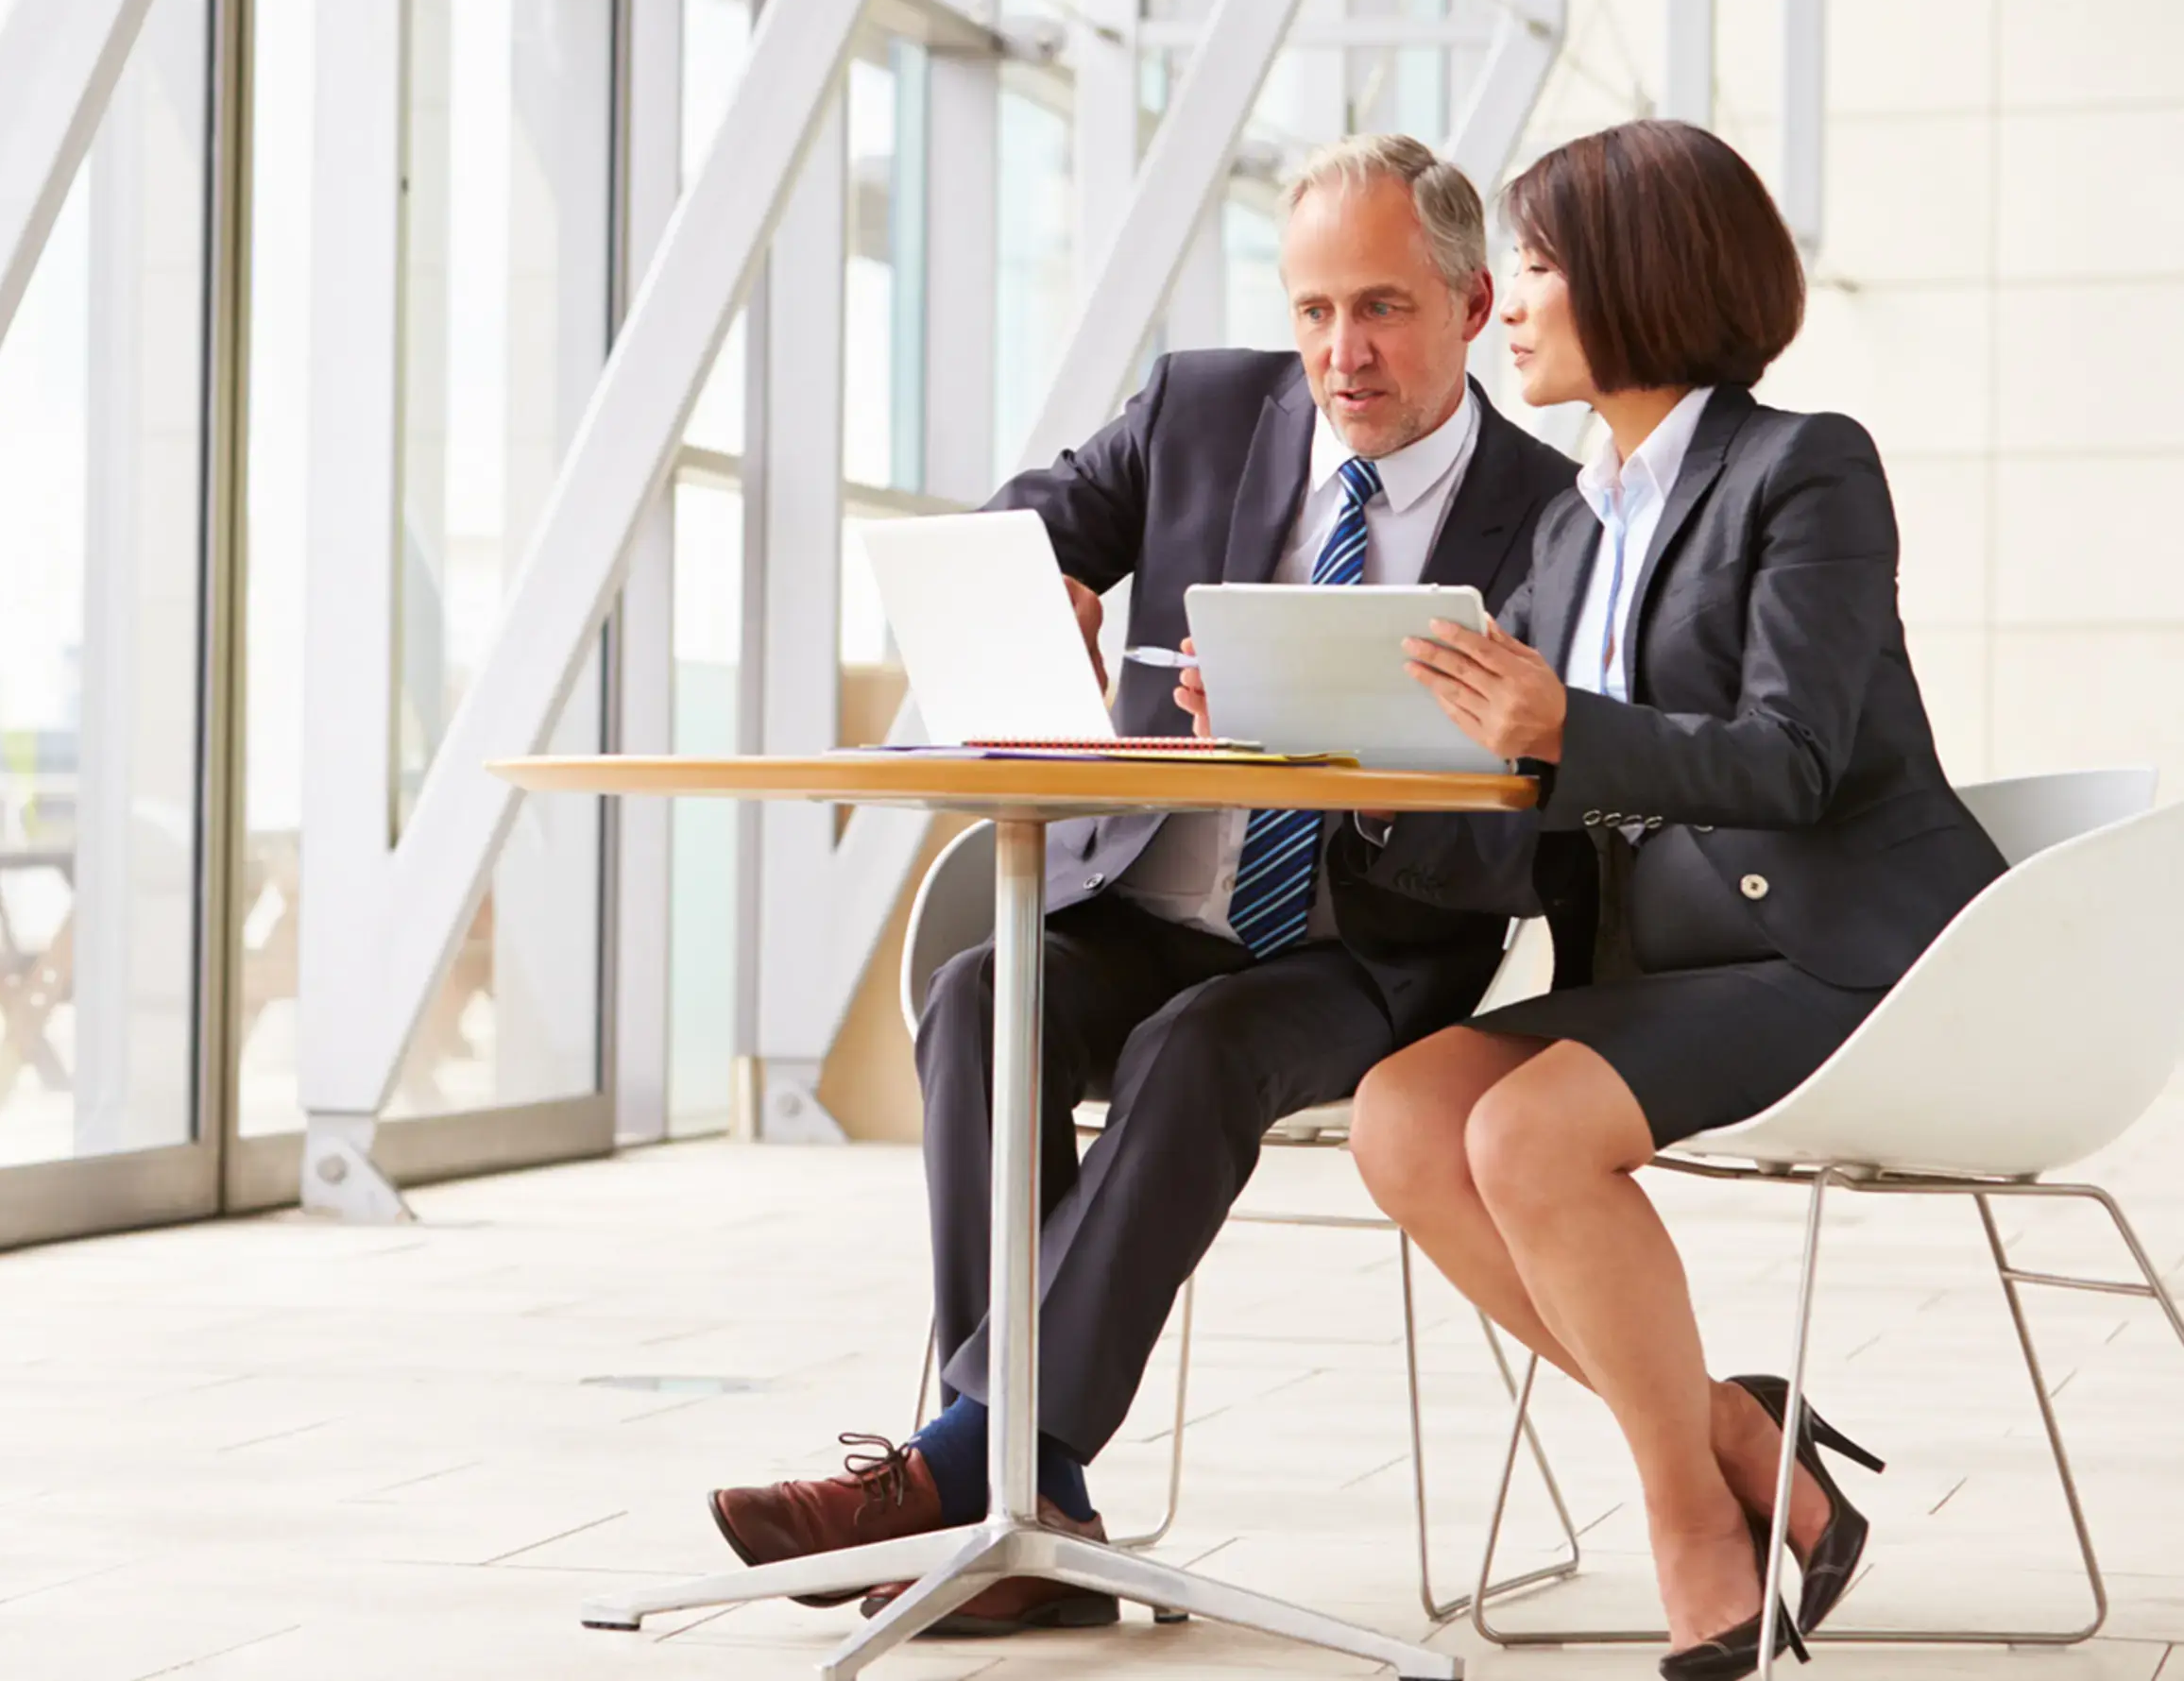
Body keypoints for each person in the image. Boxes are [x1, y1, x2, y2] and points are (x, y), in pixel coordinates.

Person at [704, 133, 1577, 1636]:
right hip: (1146, 901)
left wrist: (1330, 749)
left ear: (1468, 298)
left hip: (1365, 945)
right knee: (989, 996)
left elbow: (1535, 818)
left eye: (1379, 308)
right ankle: (1026, 1507)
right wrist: (1037, 580)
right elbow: (1011, 523)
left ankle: (971, 1474)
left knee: (1198, 1047)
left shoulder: (1550, 512)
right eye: (1313, 310)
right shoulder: (1202, 407)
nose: (1339, 352)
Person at [1341, 119, 2005, 1679]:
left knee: (1524, 1132)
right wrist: (1372, 770)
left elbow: (1793, 758)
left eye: (1543, 264)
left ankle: (1687, 1520)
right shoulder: (1576, 521)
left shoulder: (1806, 467)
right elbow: (1536, 791)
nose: (1508, 298)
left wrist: (1557, 726)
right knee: (1401, 1116)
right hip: (1675, 959)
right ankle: (1736, 1433)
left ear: (1639, 280)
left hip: (1846, 948)